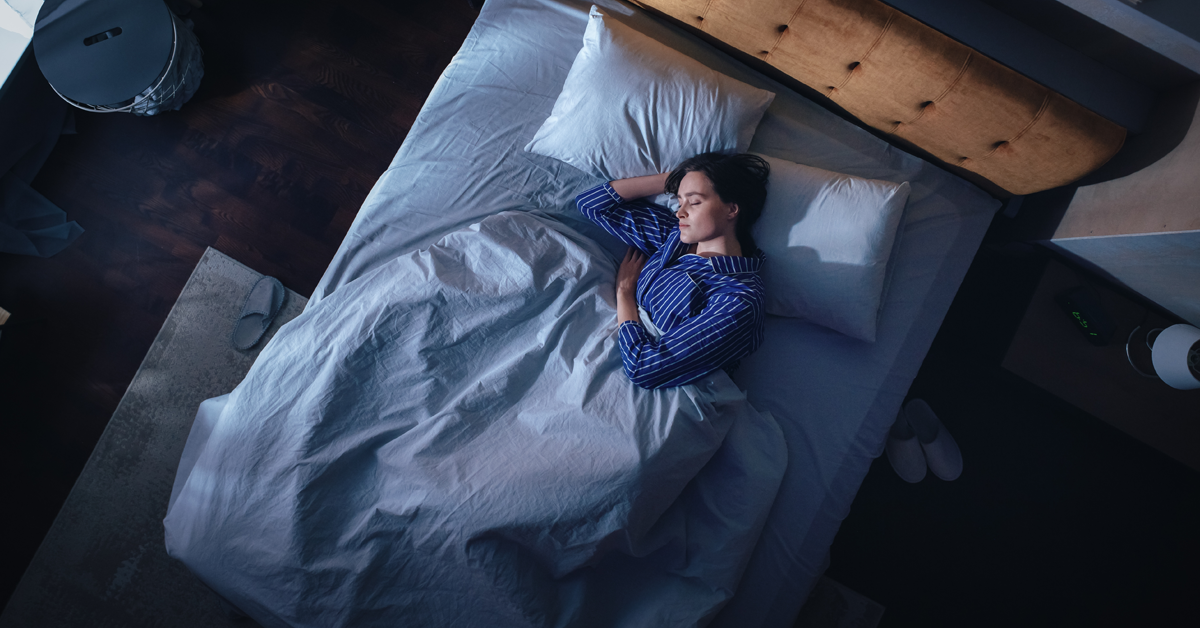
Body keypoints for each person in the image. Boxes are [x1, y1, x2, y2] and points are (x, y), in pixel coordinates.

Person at [576, 152, 770, 389]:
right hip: (601, 352)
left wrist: (624, 294)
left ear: (731, 210)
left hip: (666, 395)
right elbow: (592, 204)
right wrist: (677, 179)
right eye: (679, 202)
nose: (680, 212)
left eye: (695, 202)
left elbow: (644, 368)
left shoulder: (739, 297)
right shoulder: (674, 237)